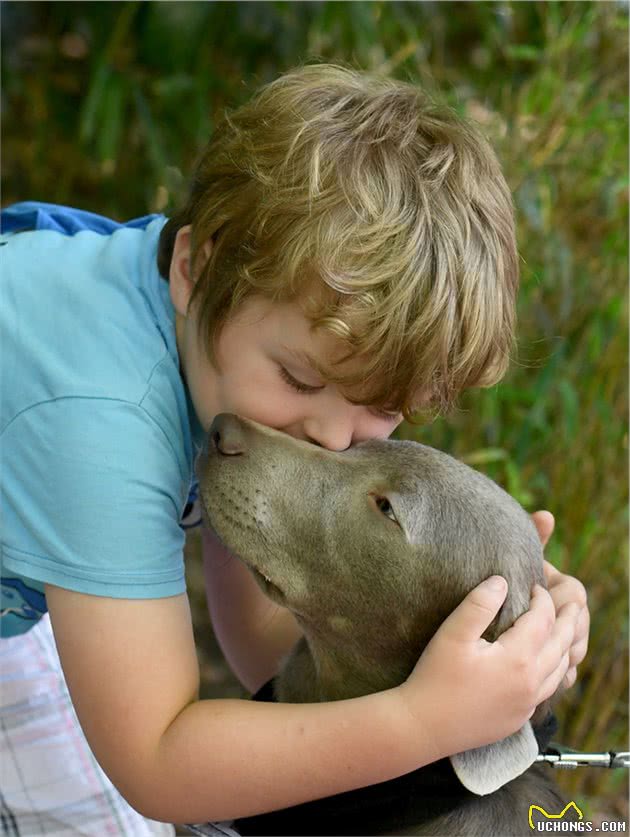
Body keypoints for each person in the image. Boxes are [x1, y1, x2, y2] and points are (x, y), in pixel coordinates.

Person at [0, 63, 589, 835]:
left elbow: (259, 643)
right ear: (195, 265)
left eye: (379, 406)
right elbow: (160, 760)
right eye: (299, 376)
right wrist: (424, 721)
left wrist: (487, 640)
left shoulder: (222, 350)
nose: (331, 437)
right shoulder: (99, 417)